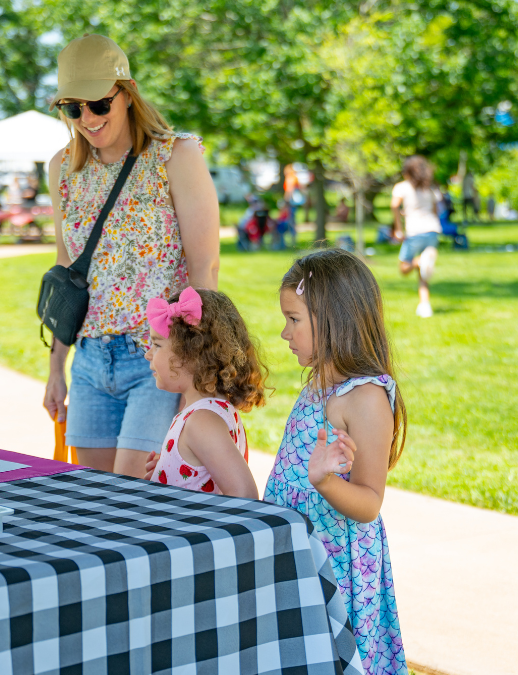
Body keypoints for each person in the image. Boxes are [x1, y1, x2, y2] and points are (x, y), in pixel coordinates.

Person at [42, 34, 220, 478]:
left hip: (157, 357)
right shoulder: (62, 168)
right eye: (72, 107)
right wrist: (55, 368)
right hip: (88, 361)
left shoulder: (175, 156)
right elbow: (66, 273)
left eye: (99, 104)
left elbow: (204, 270)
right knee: (98, 504)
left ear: (127, 93)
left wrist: (192, 376)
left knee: (134, 497)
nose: (87, 118)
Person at [265, 249, 408, 674]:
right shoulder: (318, 385)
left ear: (332, 320)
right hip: (300, 555)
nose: (284, 332)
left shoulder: (365, 399)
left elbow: (369, 503)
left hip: (337, 569)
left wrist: (326, 483)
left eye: (294, 320)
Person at [140, 287, 266, 498]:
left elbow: (245, 495)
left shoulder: (202, 422)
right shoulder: (208, 412)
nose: (148, 354)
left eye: (156, 344)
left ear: (190, 354)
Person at [391, 155, 441, 318]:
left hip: (415, 231)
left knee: (404, 268)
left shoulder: (402, 187)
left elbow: (394, 205)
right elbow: (434, 211)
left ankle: (420, 260)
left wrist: (398, 228)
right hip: (433, 230)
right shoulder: (429, 189)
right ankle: (425, 305)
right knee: (423, 272)